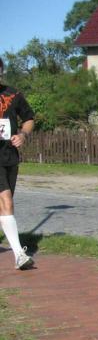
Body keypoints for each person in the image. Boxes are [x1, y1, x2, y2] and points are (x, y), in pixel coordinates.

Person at [0, 59, 36, 270]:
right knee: (6, 201)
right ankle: (19, 255)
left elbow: (29, 118)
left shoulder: (13, 94)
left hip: (9, 156)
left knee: (5, 203)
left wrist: (22, 135)